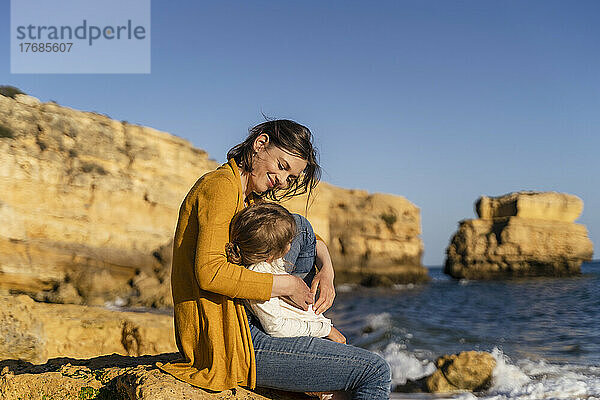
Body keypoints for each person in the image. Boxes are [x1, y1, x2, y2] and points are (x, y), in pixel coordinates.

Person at [157, 120, 391, 399]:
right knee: (375, 371)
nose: (282, 180)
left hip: (249, 321)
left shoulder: (249, 198)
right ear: (260, 144)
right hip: (233, 340)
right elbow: (211, 273)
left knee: (299, 226)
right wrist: (288, 285)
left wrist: (327, 272)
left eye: (290, 177)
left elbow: (307, 236)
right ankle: (301, 331)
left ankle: (300, 326)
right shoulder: (220, 187)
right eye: (282, 166)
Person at [225, 203, 346, 343]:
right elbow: (276, 327)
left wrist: (327, 269)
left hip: (314, 323)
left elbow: (311, 237)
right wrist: (326, 330)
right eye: (289, 242)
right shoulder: (259, 276)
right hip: (306, 331)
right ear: (271, 253)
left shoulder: (270, 261)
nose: (291, 245)